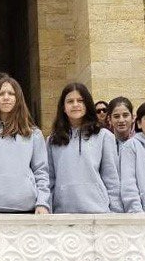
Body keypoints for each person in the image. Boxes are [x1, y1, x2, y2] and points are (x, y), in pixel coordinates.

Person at [0, 75, 49, 215]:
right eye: (1, 94)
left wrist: (42, 203)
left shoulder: (33, 134)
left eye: (11, 93)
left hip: (27, 208)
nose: (6, 97)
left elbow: (41, 171)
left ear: (18, 98)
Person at [46, 83, 122, 214]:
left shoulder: (104, 136)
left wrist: (116, 212)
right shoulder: (52, 140)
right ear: (63, 108)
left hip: (98, 211)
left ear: (87, 105)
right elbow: (50, 179)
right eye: (70, 101)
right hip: (63, 213)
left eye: (80, 101)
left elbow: (111, 178)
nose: (75, 104)